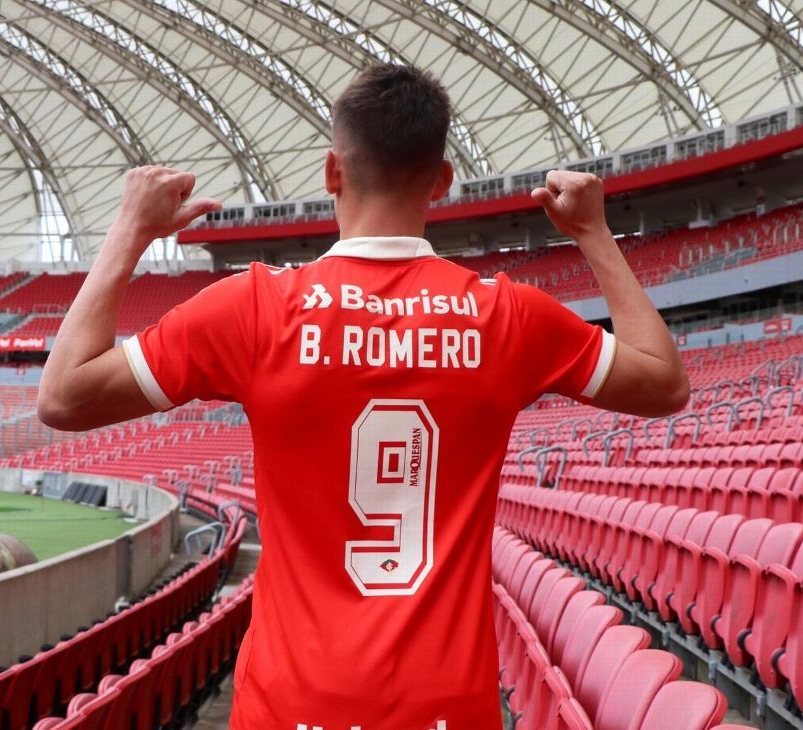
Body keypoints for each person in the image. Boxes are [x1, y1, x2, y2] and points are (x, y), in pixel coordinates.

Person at [38, 65, 688, 730]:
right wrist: (593, 233)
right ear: (442, 180)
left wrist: (130, 229)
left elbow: (63, 397)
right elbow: (664, 383)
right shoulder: (508, 316)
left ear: (331, 172)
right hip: (445, 707)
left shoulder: (253, 309)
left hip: (289, 704)